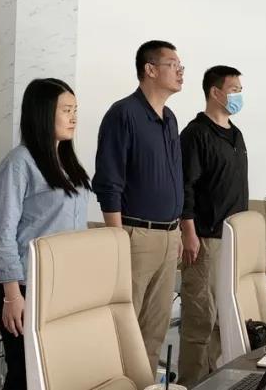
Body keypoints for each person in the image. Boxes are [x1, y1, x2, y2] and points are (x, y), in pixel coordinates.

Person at [0, 78, 91, 390]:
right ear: (44, 114)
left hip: (66, 283)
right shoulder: (19, 163)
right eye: (66, 110)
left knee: (59, 371)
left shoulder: (68, 161)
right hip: (28, 285)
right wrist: (12, 295)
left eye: (75, 110)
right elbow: (2, 232)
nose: (74, 117)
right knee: (27, 374)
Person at [92, 40, 185, 372]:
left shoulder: (170, 118)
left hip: (169, 235)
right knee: (125, 325)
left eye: (181, 66)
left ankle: (144, 382)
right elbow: (108, 180)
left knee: (155, 328)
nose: (180, 71)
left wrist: (178, 230)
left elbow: (174, 177)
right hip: (136, 235)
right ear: (150, 69)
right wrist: (117, 239)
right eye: (173, 65)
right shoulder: (124, 114)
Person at [177, 66, 249, 386]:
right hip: (205, 238)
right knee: (200, 317)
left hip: (232, 239)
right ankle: (191, 381)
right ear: (215, 92)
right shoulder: (195, 134)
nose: (239, 95)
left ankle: (214, 379)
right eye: (234, 89)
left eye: (240, 90)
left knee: (224, 319)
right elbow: (186, 187)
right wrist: (189, 232)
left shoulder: (236, 134)